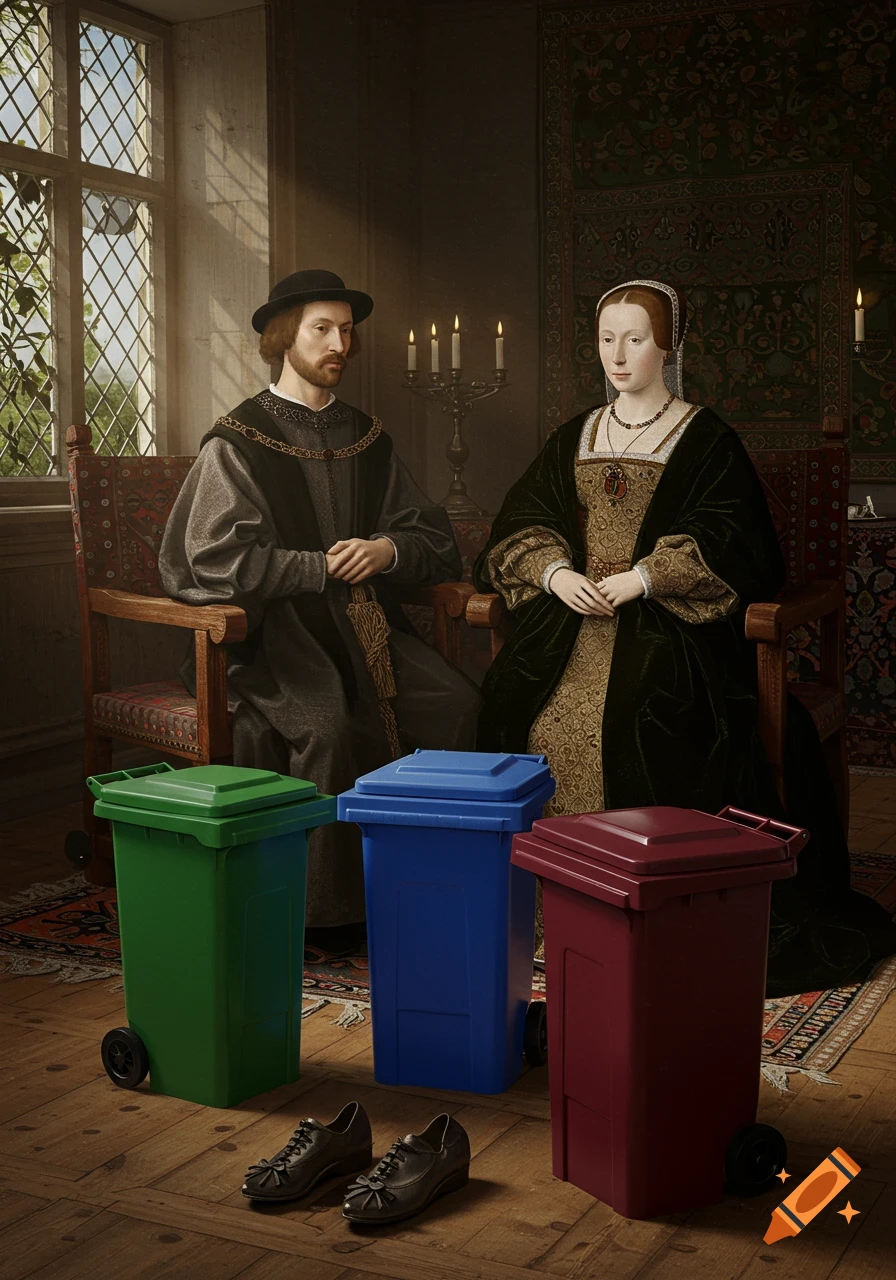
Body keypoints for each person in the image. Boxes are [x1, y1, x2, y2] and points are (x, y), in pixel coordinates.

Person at [474, 278, 896, 995]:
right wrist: (552, 575)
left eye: (635, 338)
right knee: (520, 702)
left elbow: (738, 542)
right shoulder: (575, 433)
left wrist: (644, 578)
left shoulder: (704, 437)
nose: (618, 353)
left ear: (668, 345)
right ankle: (541, 918)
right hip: (572, 618)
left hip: (670, 623)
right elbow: (522, 520)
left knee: (643, 709)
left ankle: (646, 913)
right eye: (607, 338)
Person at [160, 269, 480, 948]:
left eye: (347, 330)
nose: (341, 342)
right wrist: (314, 567)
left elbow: (432, 536)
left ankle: (434, 888)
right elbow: (211, 562)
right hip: (276, 635)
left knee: (454, 703)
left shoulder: (365, 436)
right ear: (283, 339)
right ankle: (329, 917)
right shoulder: (238, 441)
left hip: (366, 625)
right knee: (327, 725)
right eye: (322, 329)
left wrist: (386, 551)